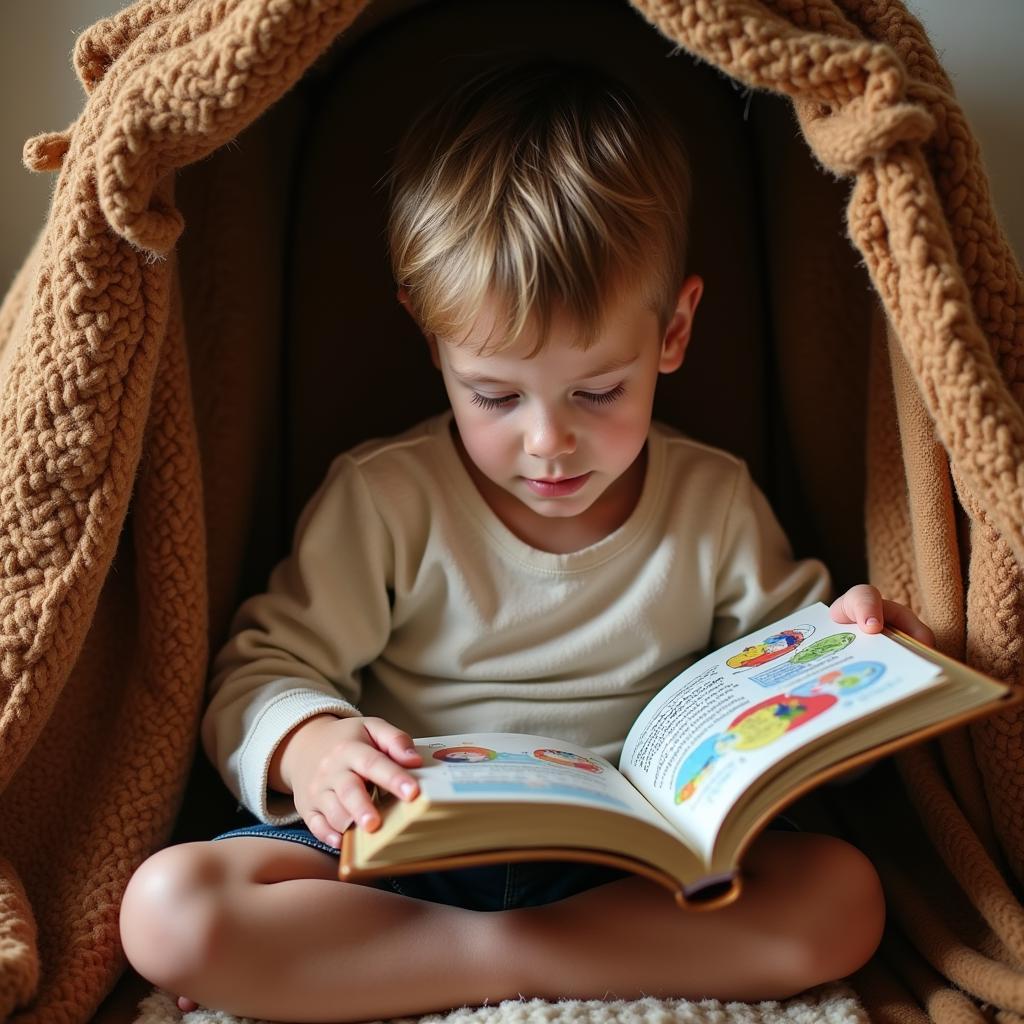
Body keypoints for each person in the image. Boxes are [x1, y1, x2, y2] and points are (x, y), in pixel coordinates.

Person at [119, 60, 933, 1022]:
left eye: (599, 391)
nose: (549, 442)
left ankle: (466, 962)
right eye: (496, 396)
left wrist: (851, 643)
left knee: (843, 896)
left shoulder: (712, 500)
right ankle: (516, 955)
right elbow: (262, 669)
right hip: (406, 855)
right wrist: (314, 748)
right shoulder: (384, 498)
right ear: (433, 341)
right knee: (168, 912)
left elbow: (785, 657)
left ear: (672, 332)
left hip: (631, 872)